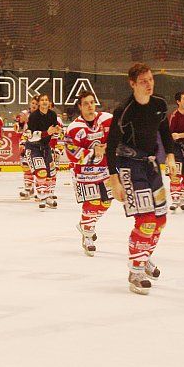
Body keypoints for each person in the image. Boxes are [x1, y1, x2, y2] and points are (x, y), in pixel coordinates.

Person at [106, 63, 176, 295]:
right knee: (146, 220)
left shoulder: (159, 104)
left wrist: (172, 156)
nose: (149, 84)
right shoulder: (124, 110)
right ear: (132, 83)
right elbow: (111, 146)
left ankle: (143, 256)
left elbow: (164, 131)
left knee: (161, 219)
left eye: (151, 79)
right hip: (129, 167)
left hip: (151, 166)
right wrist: (114, 179)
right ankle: (135, 270)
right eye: (143, 81)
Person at [65, 92, 113, 256]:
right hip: (83, 172)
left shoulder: (107, 119)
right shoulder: (73, 128)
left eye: (92, 102)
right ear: (80, 106)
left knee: (106, 203)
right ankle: (87, 234)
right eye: (86, 103)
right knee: (92, 203)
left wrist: (108, 148)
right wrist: (93, 152)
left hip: (105, 170)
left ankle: (86, 223)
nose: (90, 106)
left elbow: (118, 136)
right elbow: (72, 153)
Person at [24, 93, 60, 209]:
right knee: (41, 172)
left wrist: (58, 130)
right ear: (39, 103)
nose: (44, 102)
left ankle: (49, 195)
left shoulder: (52, 115)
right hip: (33, 147)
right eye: (42, 100)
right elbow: (30, 136)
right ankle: (42, 196)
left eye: (46, 100)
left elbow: (55, 129)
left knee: (50, 172)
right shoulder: (33, 116)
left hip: (46, 146)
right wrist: (47, 133)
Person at [15, 97, 39, 199]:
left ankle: (40, 189)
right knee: (25, 164)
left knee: (38, 166)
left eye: (36, 104)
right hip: (25, 142)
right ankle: (28, 188)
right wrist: (20, 123)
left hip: (38, 142)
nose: (34, 105)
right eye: (32, 103)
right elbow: (18, 129)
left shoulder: (43, 115)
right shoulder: (24, 113)